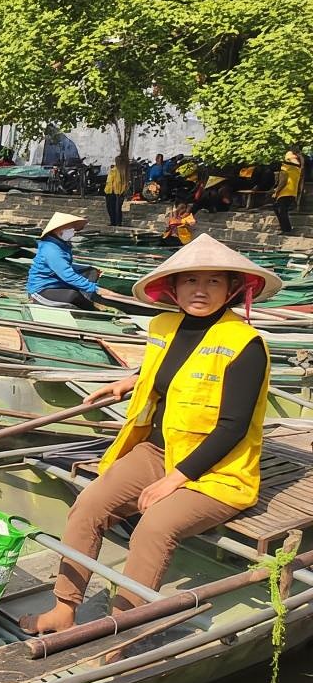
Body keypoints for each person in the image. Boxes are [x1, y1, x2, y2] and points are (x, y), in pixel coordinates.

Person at [20, 235, 277, 633]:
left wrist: (174, 482)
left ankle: (122, 629)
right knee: (89, 505)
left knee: (155, 525)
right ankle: (63, 608)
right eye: (191, 280)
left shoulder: (245, 344)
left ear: (231, 289)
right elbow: (173, 367)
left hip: (217, 471)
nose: (200, 290)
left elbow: (233, 427)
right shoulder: (165, 325)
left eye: (213, 282)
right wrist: (130, 379)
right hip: (157, 450)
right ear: (173, 288)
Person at [26, 212, 99, 309]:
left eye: (72, 229)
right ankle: (91, 309)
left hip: (58, 283)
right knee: (73, 295)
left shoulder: (62, 244)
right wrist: (95, 288)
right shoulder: (51, 249)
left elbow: (64, 265)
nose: (72, 232)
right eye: (68, 229)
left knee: (91, 271)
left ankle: (87, 300)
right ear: (57, 230)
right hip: (42, 290)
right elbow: (67, 275)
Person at [273, 148, 304, 235]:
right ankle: (284, 227)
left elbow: (283, 182)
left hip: (284, 192)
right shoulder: (298, 169)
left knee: (280, 210)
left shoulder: (285, 168)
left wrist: (276, 192)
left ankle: (286, 229)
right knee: (278, 208)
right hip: (292, 192)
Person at [104, 156, 129, 226]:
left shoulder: (122, 171)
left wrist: (122, 191)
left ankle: (118, 222)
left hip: (118, 192)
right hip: (109, 191)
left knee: (117, 209)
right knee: (110, 208)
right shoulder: (113, 170)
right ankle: (113, 222)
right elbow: (109, 181)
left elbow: (124, 183)